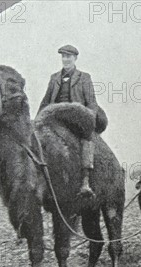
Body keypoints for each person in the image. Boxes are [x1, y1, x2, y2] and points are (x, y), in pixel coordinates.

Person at [38, 45, 108, 198]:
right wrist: (39, 119)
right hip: (55, 117)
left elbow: (91, 102)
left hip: (77, 117)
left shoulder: (84, 78)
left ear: (75, 58)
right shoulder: (54, 78)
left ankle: (85, 180)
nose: (66, 60)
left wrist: (89, 118)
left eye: (69, 57)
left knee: (86, 139)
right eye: (63, 57)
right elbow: (45, 101)